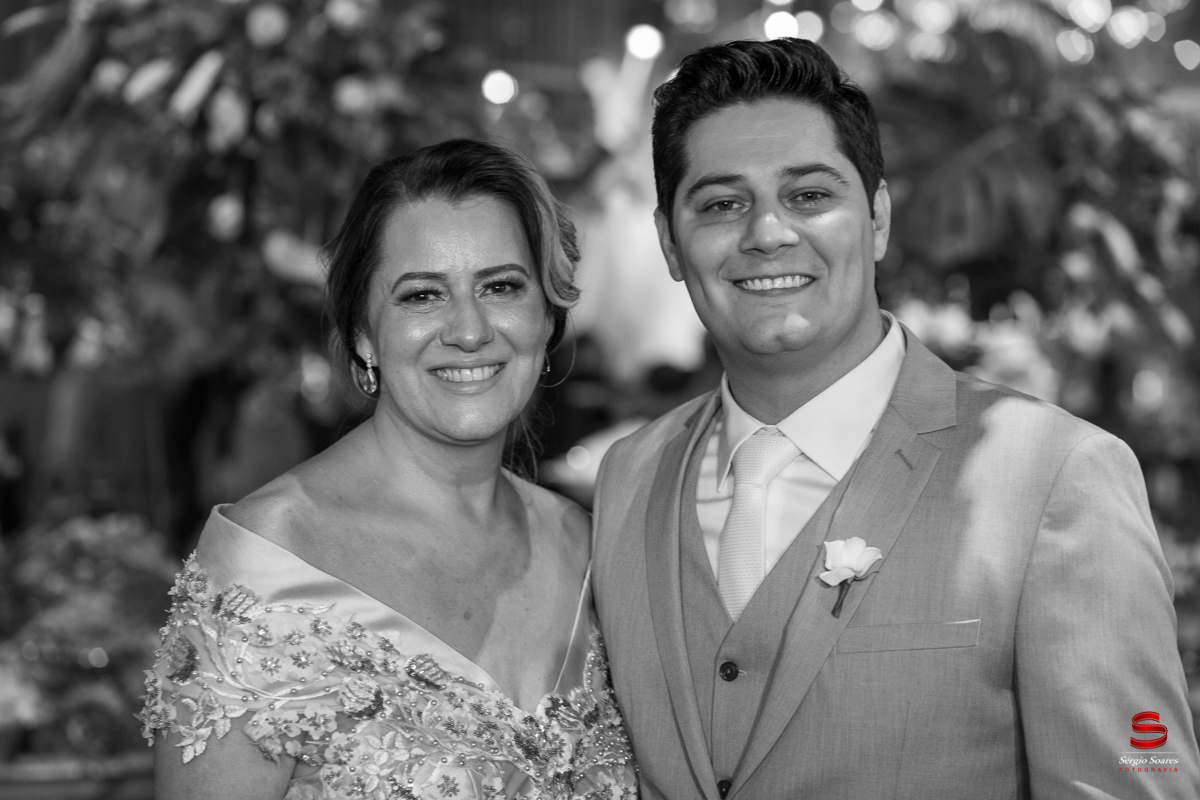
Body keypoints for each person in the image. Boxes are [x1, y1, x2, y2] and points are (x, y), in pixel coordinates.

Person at [590, 38, 1200, 799]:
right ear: (670, 244)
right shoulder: (629, 476)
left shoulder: (1055, 476)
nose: (768, 233)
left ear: (876, 218)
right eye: (721, 204)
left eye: (809, 196)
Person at [140, 139, 637, 799]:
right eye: (422, 295)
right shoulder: (269, 568)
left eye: (501, 287)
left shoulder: (587, 548)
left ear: (546, 317)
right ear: (364, 335)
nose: (469, 330)